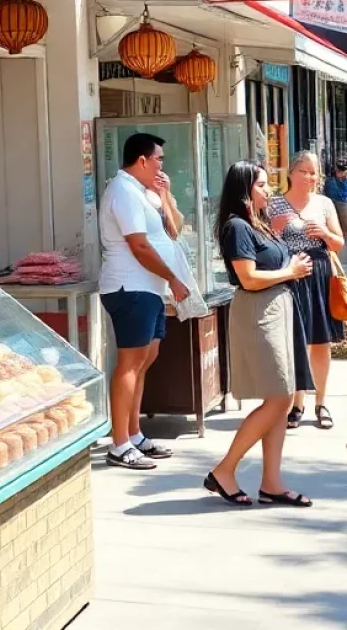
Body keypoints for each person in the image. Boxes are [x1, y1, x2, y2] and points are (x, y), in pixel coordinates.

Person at [208, 161, 312, 507]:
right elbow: (249, 278)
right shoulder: (237, 226)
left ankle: (271, 482)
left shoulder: (260, 223)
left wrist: (290, 267)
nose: (269, 190)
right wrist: (290, 270)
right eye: (263, 185)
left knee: (281, 398)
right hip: (258, 312)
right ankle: (224, 469)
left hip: (277, 308)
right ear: (246, 190)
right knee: (280, 397)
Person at [98, 133, 189, 470]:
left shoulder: (145, 193)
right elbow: (138, 246)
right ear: (142, 161)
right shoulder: (122, 191)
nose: (162, 165)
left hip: (149, 289)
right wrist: (172, 277)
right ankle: (119, 442)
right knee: (130, 362)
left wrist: (165, 195)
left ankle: (134, 432)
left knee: (147, 356)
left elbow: (174, 230)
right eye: (159, 159)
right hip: (129, 287)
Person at [269, 151, 345, 430]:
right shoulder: (275, 203)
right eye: (305, 171)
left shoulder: (324, 203)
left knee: (320, 342)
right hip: (289, 274)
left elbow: (338, 243)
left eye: (314, 173)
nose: (310, 177)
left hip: (319, 274)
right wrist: (275, 231)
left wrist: (324, 234)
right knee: (293, 341)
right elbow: (265, 241)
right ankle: (297, 403)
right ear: (291, 173)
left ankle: (321, 402)